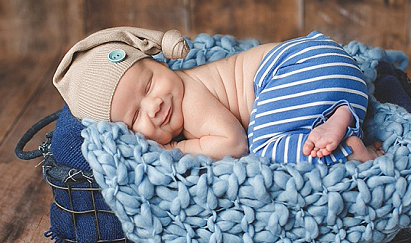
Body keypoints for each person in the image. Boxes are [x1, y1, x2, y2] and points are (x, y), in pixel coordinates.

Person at [53, 26, 383, 164]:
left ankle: (349, 150)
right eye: (135, 116)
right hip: (335, 67)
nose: (154, 105)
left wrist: (179, 148)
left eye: (150, 83)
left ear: (158, 62)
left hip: (292, 69)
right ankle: (340, 116)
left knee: (264, 150)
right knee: (303, 118)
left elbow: (234, 144)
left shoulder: (190, 96)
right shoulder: (176, 94)